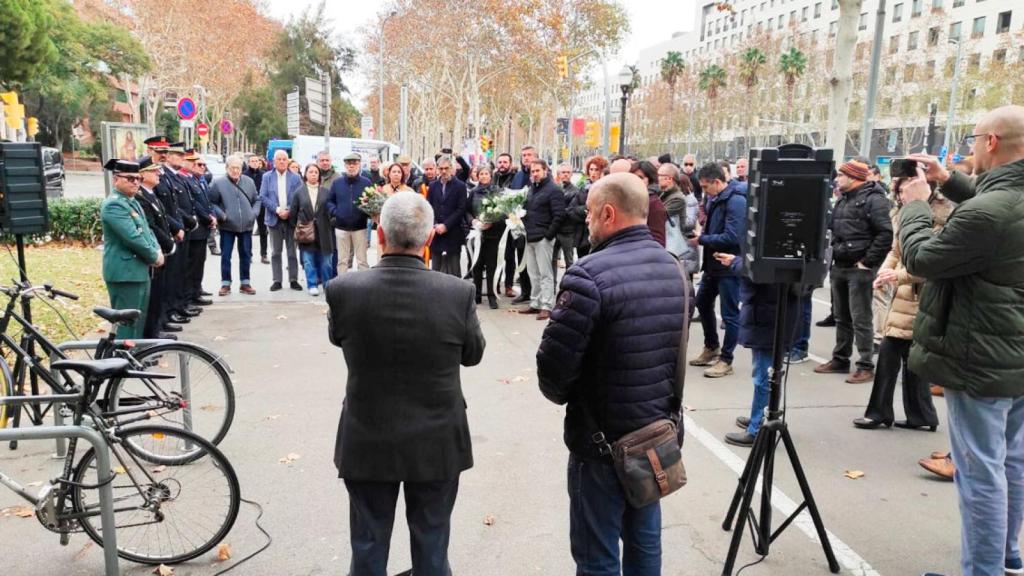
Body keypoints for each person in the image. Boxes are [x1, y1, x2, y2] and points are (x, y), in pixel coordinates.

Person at [327, 191, 485, 576]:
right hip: (436, 441)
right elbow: (473, 354)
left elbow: (338, 338)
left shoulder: (344, 290)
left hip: (367, 436)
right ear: (429, 238)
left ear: (379, 234)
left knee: (367, 544)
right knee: (432, 545)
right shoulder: (457, 293)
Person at [537, 172, 688, 576]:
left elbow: (553, 373)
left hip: (602, 442)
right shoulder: (674, 269)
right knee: (644, 542)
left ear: (608, 213)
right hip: (656, 432)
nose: (585, 221)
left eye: (588, 213)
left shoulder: (588, 274)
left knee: (597, 554)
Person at [899, 105, 1024, 576]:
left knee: (980, 471)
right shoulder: (1000, 205)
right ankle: (1006, 557)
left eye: (973, 138)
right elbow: (998, 209)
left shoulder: (988, 214)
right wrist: (948, 180)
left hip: (980, 356)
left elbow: (924, 258)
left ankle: (984, 571)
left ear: (990, 142)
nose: (970, 146)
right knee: (1011, 461)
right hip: (1013, 353)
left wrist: (914, 203)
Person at [852, 176, 950, 431]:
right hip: (904, 297)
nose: (900, 195)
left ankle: (885, 413)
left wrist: (898, 275)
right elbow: (896, 250)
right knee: (902, 357)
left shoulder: (942, 217)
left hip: (923, 299)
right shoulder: (905, 214)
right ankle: (918, 415)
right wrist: (884, 274)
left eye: (904, 190)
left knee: (901, 357)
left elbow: (932, 262)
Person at [813, 160, 893, 384]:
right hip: (841, 264)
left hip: (859, 268)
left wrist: (867, 262)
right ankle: (840, 359)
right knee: (842, 317)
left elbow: (885, 234)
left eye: (841, 175)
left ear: (854, 176)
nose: (837, 179)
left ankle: (865, 364)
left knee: (861, 318)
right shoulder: (843, 199)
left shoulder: (874, 199)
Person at [719, 251, 801, 447]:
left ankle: (758, 428)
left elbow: (759, 270)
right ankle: (760, 416)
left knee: (764, 376)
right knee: (767, 373)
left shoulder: (774, 244)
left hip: (767, 313)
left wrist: (736, 262)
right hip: (772, 311)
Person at [689, 162, 746, 378]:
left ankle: (726, 359)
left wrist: (701, 239)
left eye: (705, 187)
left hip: (728, 265)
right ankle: (711, 346)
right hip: (713, 264)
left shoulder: (736, 201)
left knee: (730, 314)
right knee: (702, 303)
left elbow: (732, 236)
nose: (704, 191)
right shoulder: (715, 198)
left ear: (717, 182)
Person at [100, 159, 163, 339]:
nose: (135, 182)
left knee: (138, 321)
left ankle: (134, 357)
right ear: (116, 179)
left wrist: (157, 250)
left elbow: (147, 230)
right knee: (126, 325)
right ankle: (122, 361)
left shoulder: (132, 201)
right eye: (130, 178)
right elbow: (133, 238)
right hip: (125, 273)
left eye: (138, 178)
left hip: (138, 270)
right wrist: (153, 255)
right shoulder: (114, 205)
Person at [518, 160, 565, 320]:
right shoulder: (532, 189)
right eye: (532, 171)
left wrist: (548, 235)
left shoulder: (554, 190)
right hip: (530, 236)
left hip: (543, 238)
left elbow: (559, 215)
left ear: (545, 170)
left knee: (546, 274)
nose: (535, 174)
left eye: (537, 170)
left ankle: (547, 306)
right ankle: (535, 303)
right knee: (533, 273)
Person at [135, 156, 176, 339]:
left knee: (159, 295)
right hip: (155, 253)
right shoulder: (141, 197)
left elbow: (164, 220)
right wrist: (168, 243)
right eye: (154, 171)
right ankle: (150, 338)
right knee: (151, 300)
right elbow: (151, 226)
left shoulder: (151, 195)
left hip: (162, 251)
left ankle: (155, 332)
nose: (159, 173)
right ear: (143, 175)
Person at [208, 155, 259, 296]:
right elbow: (212, 202)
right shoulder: (218, 183)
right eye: (233, 168)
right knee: (226, 255)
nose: (236, 171)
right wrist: (222, 215)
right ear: (227, 168)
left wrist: (253, 214)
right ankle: (225, 283)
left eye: (239, 168)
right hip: (227, 226)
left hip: (246, 226)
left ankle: (245, 282)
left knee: (246, 255)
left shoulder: (249, 182)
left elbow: (257, 199)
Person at [261, 150, 304, 291]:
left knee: (292, 252)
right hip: (274, 219)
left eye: (284, 159)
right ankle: (277, 280)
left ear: (288, 161)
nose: (281, 161)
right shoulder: (267, 177)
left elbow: (299, 198)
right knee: (275, 252)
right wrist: (278, 210)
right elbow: (263, 197)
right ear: (274, 161)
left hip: (291, 220)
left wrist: (289, 211)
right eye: (278, 159)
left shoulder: (296, 177)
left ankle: (293, 280)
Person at [290, 164, 334, 296]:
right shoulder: (299, 192)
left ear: (319, 175)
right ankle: (312, 284)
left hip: (324, 231)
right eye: (311, 172)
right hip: (306, 231)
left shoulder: (326, 192)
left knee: (326, 261)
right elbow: (293, 212)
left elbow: (331, 210)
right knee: (308, 260)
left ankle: (327, 284)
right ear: (306, 175)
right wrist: (299, 226)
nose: (313, 174)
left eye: (316, 172)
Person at [327, 153, 373, 273]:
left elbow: (371, 202)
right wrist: (336, 212)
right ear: (345, 165)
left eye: (355, 164)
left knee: (362, 260)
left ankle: (364, 286)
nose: (351, 166)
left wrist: (367, 213)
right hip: (341, 227)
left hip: (360, 227)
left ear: (359, 165)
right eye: (349, 164)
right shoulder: (337, 183)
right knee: (342, 260)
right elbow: (330, 201)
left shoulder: (366, 183)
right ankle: (342, 286)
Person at [468, 166, 506, 309]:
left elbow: (503, 212)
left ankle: (492, 295)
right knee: (477, 265)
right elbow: (467, 211)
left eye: (486, 174)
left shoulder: (497, 192)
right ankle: (477, 294)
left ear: (490, 176)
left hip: (493, 234)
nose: (483, 176)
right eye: (481, 174)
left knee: (492, 266)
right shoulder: (473, 192)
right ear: (477, 176)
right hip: (477, 233)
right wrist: (473, 221)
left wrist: (491, 221)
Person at [183, 150, 216, 308]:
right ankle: (191, 295)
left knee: (200, 262)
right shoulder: (188, 181)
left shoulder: (200, 180)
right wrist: (208, 218)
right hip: (196, 229)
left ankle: (197, 289)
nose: (203, 167)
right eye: (199, 164)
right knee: (192, 264)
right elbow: (195, 205)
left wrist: (212, 215)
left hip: (204, 227)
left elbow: (208, 202)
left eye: (204, 165)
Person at [426, 155, 468, 276]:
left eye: (446, 168)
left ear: (452, 168)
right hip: (436, 233)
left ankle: (456, 295)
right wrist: (435, 225)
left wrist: (446, 225)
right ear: (437, 169)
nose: (443, 171)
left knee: (454, 270)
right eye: (441, 168)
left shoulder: (460, 186)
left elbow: (461, 209)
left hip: (453, 232)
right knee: (435, 270)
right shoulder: (433, 186)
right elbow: (429, 207)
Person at [507, 147, 537, 304]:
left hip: (535, 225)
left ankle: (536, 293)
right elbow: (512, 195)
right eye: (524, 155)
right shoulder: (518, 175)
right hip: (518, 225)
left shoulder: (540, 174)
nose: (526, 158)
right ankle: (525, 291)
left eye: (529, 155)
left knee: (535, 262)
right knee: (521, 259)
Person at [552, 163, 583, 276]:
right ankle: (553, 287)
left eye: (568, 172)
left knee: (569, 261)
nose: (565, 175)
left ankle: (567, 287)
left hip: (568, 231)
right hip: (555, 230)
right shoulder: (554, 188)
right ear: (558, 174)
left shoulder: (576, 191)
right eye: (563, 172)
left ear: (571, 174)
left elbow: (570, 210)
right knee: (552, 260)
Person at [627, 159, 668, 246]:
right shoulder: (630, 199)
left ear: (650, 180)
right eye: (632, 177)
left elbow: (658, 241)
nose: (635, 180)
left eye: (640, 177)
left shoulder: (654, 204)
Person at [577, 155, 609, 258]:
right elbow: (571, 210)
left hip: (598, 235)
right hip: (582, 236)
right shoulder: (583, 188)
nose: (593, 173)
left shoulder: (606, 189)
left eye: (596, 169)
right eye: (591, 169)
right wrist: (588, 210)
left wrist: (591, 210)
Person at [243, 154, 269, 264]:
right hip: (248, 206)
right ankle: (248, 255)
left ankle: (264, 254)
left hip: (262, 206)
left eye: (256, 161)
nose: (254, 163)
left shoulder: (264, 175)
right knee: (248, 231)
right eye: (252, 161)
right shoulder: (244, 175)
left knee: (263, 231)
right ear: (248, 163)